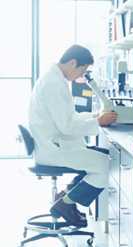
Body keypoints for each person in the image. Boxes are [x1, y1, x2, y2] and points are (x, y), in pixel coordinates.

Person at [29, 44, 117, 227]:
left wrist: (94, 117)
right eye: (82, 70)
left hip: (52, 143)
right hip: (53, 149)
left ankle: (67, 196)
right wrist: (99, 122)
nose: (80, 76)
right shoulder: (54, 83)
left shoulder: (55, 78)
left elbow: (68, 118)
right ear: (72, 63)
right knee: (105, 164)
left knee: (101, 157)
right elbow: (67, 126)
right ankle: (66, 203)